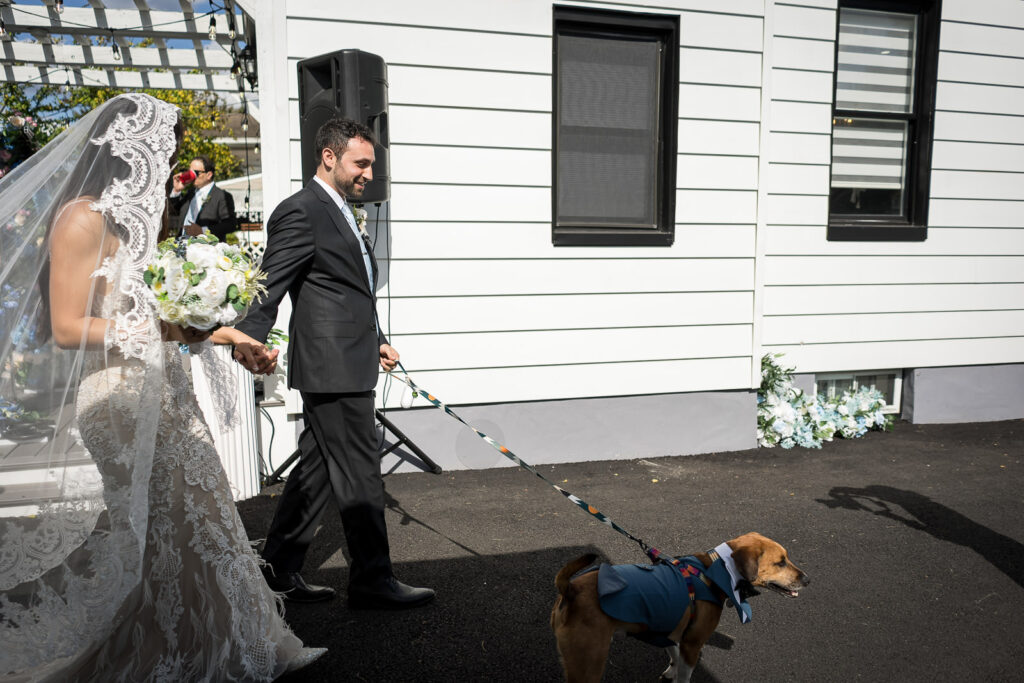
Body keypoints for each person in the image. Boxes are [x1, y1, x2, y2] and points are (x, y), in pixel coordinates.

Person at [0, 93, 323, 680]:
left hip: (165, 389)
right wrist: (171, 326)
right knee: (176, 532)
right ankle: (168, 658)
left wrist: (223, 332)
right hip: (119, 401)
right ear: (127, 151)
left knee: (198, 526)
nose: (172, 164)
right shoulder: (80, 218)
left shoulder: (141, 225)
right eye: (164, 150)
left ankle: (206, 651)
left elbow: (167, 319)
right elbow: (69, 327)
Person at [222, 118, 434, 609]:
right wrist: (246, 339)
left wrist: (377, 339)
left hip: (350, 357)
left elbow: (346, 289)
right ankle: (372, 581)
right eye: (361, 163)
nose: (368, 174)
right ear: (329, 157)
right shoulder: (302, 210)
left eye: (371, 165)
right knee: (361, 473)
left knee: (317, 468)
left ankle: (277, 569)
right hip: (331, 365)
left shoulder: (343, 210)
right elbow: (267, 284)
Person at [169, 154, 237, 239]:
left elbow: (230, 224)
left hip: (206, 248)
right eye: (190, 172)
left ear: (209, 175)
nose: (192, 175)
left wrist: (202, 231)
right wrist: (176, 190)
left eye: (196, 173)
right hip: (182, 245)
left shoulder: (221, 196)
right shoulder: (190, 193)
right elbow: (172, 212)